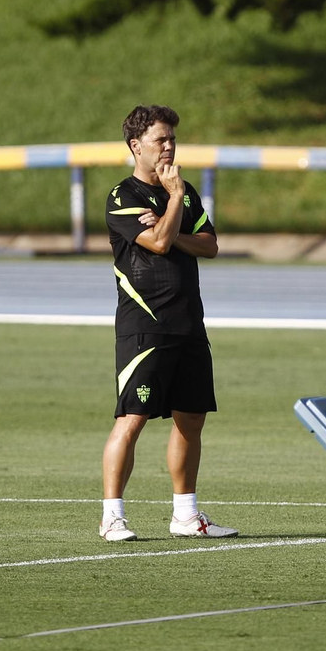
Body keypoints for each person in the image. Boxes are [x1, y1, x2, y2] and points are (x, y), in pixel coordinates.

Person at [99, 104, 237, 542]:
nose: (169, 147)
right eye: (161, 139)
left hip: (188, 323)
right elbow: (157, 244)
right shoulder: (123, 196)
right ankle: (112, 516)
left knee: (190, 419)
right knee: (133, 418)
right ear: (136, 145)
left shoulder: (186, 192)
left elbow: (210, 245)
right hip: (145, 325)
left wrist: (170, 222)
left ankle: (186, 516)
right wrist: (173, 207)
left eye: (173, 139)